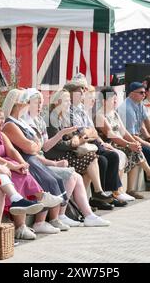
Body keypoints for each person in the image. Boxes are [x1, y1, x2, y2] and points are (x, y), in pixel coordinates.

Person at [23, 88, 110, 227]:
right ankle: (61, 215)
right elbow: (48, 147)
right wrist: (70, 141)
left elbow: (46, 145)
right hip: (51, 157)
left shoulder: (52, 117)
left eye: (40, 103)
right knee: (76, 172)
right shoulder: (47, 118)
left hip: (50, 157)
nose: (69, 104)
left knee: (84, 169)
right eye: (66, 101)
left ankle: (87, 214)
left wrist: (72, 137)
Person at [2, 89, 69, 235]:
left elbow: (35, 145)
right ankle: (40, 222)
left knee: (55, 179)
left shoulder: (20, 122)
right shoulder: (10, 124)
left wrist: (35, 145)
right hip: (25, 159)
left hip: (31, 158)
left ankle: (52, 219)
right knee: (47, 181)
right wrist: (35, 145)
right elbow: (29, 146)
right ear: (19, 105)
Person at [46, 89, 115, 210]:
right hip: (57, 155)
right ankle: (95, 194)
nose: (69, 104)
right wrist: (74, 143)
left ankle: (86, 201)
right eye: (67, 101)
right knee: (92, 159)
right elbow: (57, 144)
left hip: (67, 152)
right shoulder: (52, 118)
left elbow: (75, 133)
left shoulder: (62, 116)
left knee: (91, 161)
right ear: (58, 102)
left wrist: (77, 138)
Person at [96, 87, 150, 196]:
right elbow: (111, 136)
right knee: (131, 150)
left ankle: (132, 188)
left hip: (119, 143)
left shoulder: (114, 113)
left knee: (135, 148)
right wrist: (129, 144)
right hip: (109, 145)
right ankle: (148, 174)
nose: (115, 102)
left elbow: (124, 132)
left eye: (116, 99)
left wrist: (134, 142)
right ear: (104, 101)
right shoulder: (100, 116)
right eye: (113, 100)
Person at [64, 81, 125, 205]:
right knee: (102, 160)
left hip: (92, 143)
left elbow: (92, 132)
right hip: (81, 147)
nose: (82, 95)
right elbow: (81, 133)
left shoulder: (81, 109)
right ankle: (98, 197)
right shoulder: (69, 111)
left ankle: (110, 194)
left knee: (113, 155)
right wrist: (88, 132)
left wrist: (89, 133)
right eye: (79, 93)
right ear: (71, 95)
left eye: (82, 93)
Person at [117, 82, 150, 192]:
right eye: (141, 93)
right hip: (127, 139)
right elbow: (130, 135)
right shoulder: (127, 109)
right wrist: (147, 143)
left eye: (144, 92)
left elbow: (146, 121)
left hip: (136, 136)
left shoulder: (139, 103)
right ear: (132, 94)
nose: (144, 95)